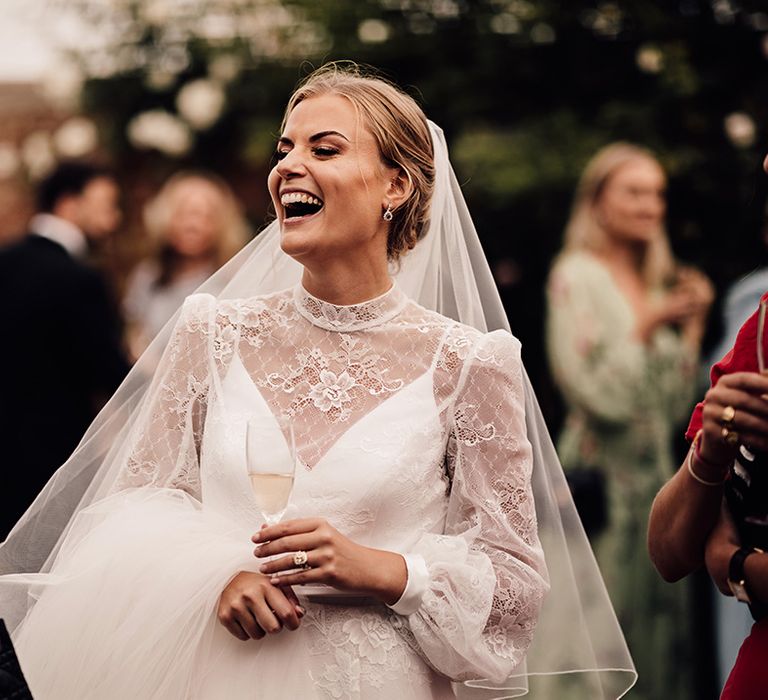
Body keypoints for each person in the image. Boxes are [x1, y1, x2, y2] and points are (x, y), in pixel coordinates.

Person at [0, 64, 634, 699]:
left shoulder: (469, 364)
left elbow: (515, 590)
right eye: (285, 149)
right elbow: (128, 512)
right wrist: (214, 578)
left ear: (396, 186)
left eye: (324, 148)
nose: (287, 167)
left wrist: (388, 571)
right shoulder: (213, 333)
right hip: (213, 675)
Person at [546, 142, 713, 700]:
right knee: (598, 630)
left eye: (658, 194)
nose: (651, 205)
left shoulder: (659, 281)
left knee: (660, 635)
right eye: (635, 192)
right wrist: (646, 325)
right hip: (600, 484)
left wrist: (690, 332)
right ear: (598, 202)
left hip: (659, 484)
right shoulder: (575, 275)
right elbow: (597, 396)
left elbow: (674, 413)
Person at [0, 161, 129, 539]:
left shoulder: (3, 262)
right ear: (70, 205)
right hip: (53, 459)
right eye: (106, 205)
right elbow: (113, 377)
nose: (113, 220)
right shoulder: (79, 279)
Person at [123, 171, 250, 359]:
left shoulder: (232, 278)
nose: (193, 226)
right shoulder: (148, 274)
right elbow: (134, 333)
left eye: (206, 217)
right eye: (184, 215)